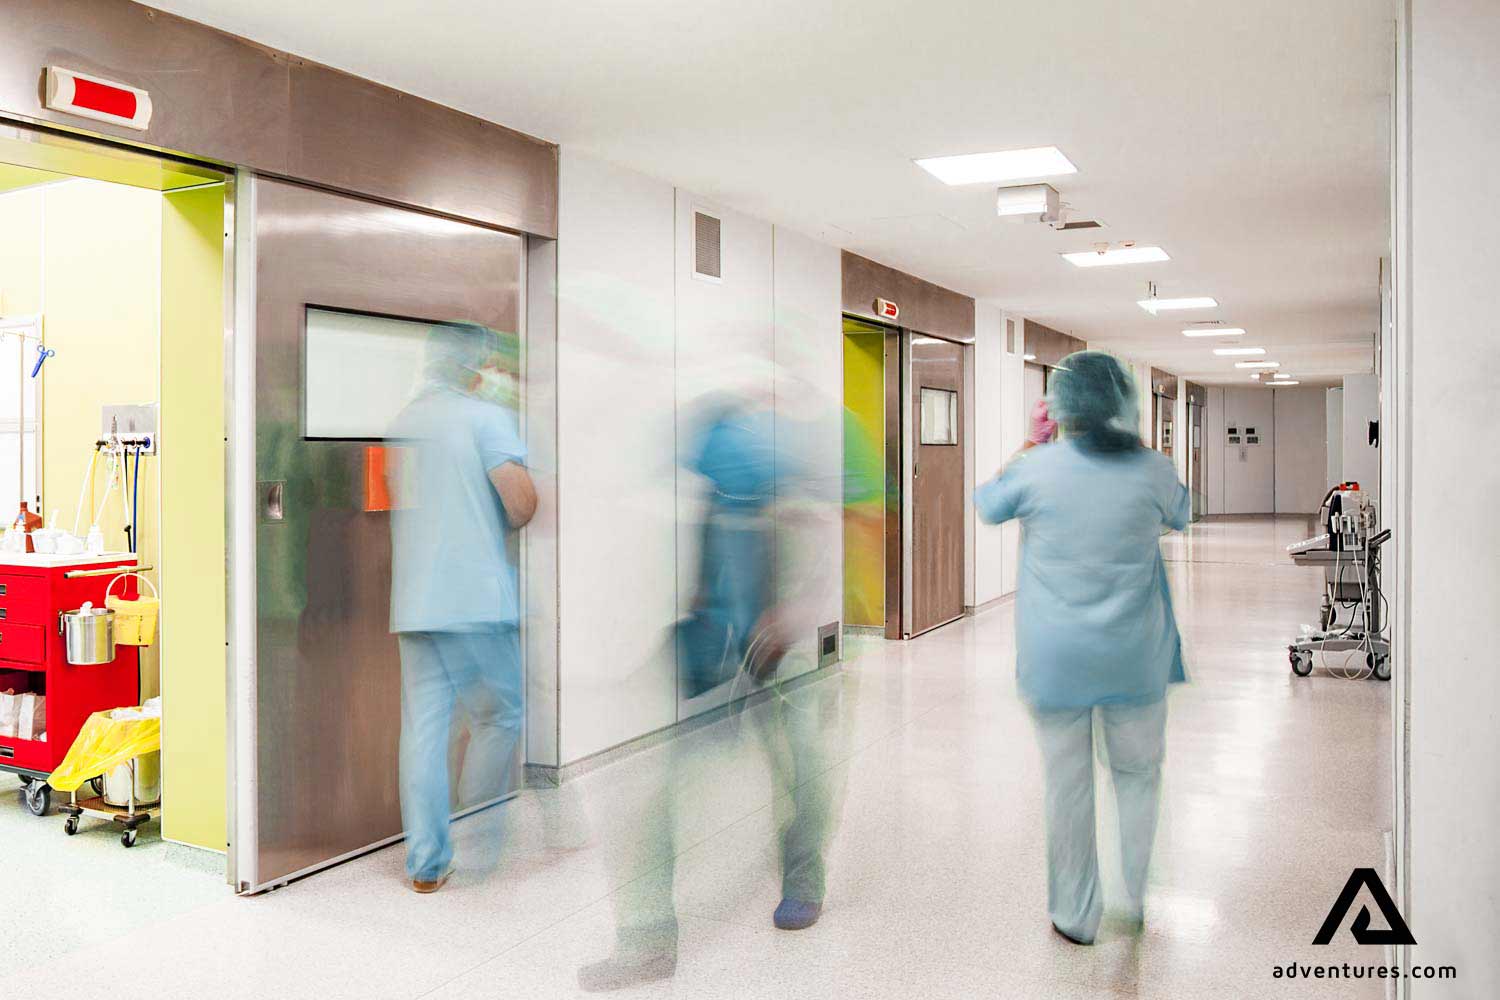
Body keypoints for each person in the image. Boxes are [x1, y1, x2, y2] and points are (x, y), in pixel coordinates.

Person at [973, 351, 1190, 945]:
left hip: (1057, 660)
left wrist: (1029, 443)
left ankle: (1075, 913)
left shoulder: (1036, 470)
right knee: (1139, 775)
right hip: (1135, 656)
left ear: (1060, 408)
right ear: (1122, 402)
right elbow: (1182, 513)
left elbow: (988, 504)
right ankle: (1132, 896)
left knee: (1067, 785)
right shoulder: (1153, 469)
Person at [388, 321, 537, 894]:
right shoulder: (485, 418)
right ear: (478, 367)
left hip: (416, 602)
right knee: (499, 716)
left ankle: (427, 865)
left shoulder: (407, 420)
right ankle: (477, 844)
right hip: (475, 600)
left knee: (424, 731)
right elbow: (521, 505)